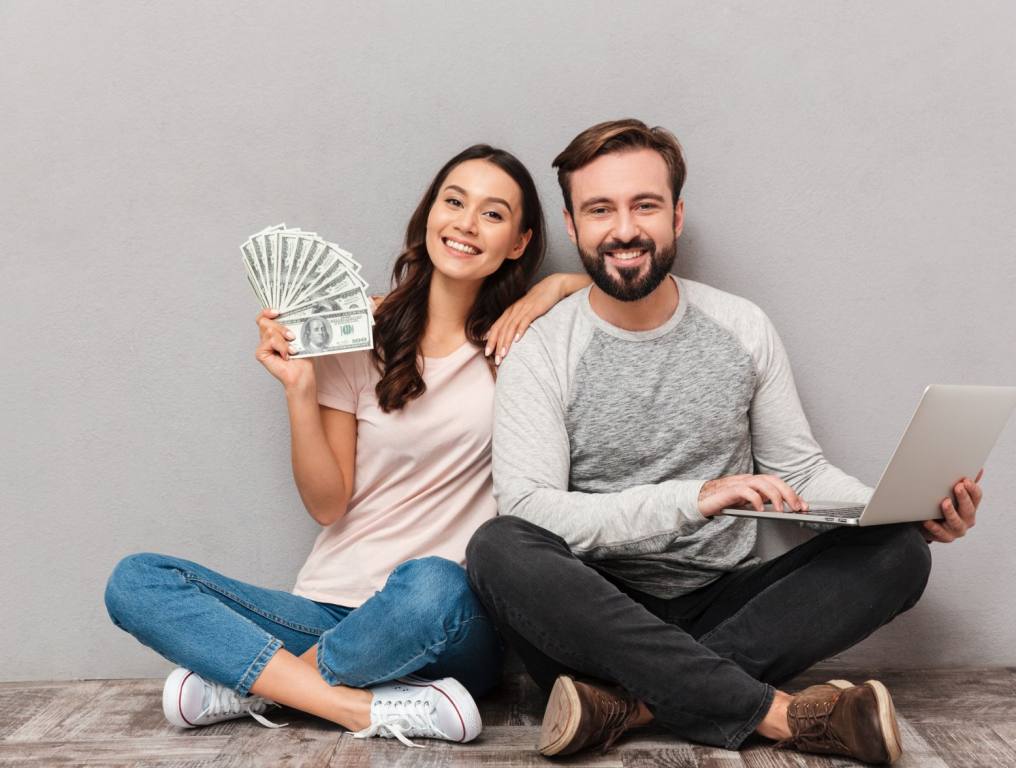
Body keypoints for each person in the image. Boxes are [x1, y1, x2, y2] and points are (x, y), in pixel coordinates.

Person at [466, 119, 985, 765]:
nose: (624, 228)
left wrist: (900, 507)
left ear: (676, 215)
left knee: (900, 554)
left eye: (644, 205)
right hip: (595, 619)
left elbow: (800, 469)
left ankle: (628, 705)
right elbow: (533, 510)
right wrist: (695, 498)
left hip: (726, 604)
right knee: (498, 546)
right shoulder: (543, 350)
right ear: (573, 226)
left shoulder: (741, 325)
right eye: (601, 209)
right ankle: (783, 715)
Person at [104, 144, 591, 747]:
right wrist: (300, 388)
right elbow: (329, 504)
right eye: (454, 201)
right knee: (136, 580)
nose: (466, 223)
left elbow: (638, 284)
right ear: (429, 215)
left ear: (519, 241)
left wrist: (557, 286)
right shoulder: (361, 333)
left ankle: (262, 685)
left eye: (493, 214)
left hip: (446, 617)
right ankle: (357, 707)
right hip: (329, 610)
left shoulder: (525, 340)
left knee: (433, 581)